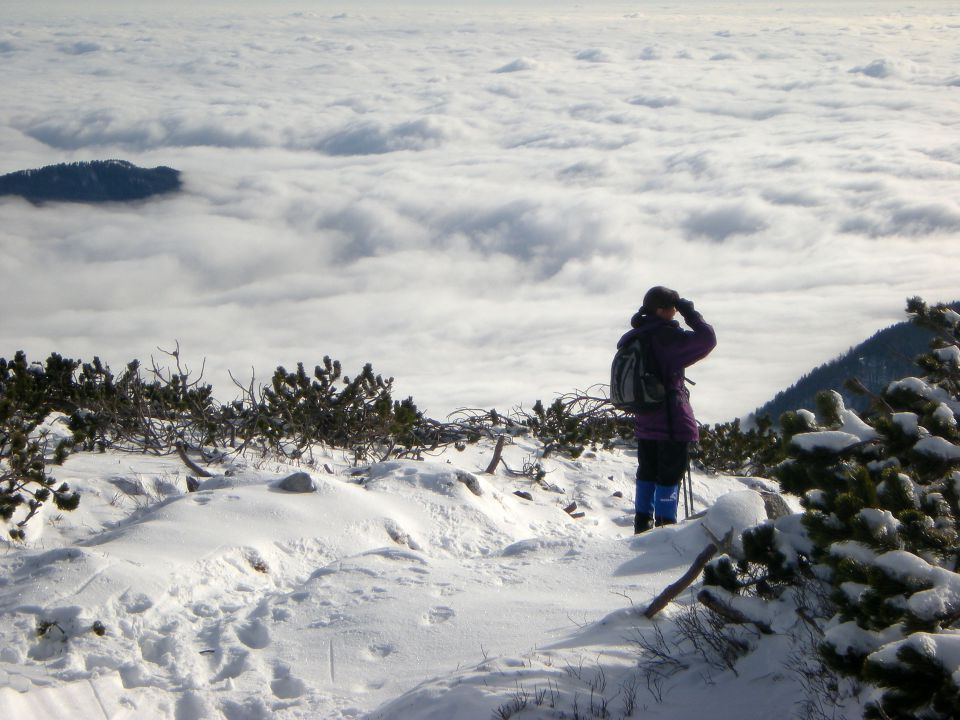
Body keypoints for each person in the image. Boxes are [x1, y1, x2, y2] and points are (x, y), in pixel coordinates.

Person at [617, 286, 716, 533]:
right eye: (673, 307)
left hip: (645, 419)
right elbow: (707, 339)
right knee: (669, 478)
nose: (675, 311)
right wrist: (690, 313)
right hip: (670, 422)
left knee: (647, 473)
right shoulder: (666, 338)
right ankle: (665, 526)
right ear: (663, 310)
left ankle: (642, 524)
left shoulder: (635, 337)